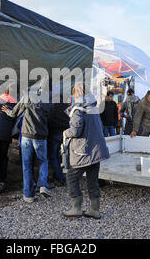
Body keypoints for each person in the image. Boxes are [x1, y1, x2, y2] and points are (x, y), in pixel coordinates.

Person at [62, 83, 110, 219]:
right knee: (92, 180)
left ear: (76, 93)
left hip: (84, 151)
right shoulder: (93, 107)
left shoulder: (78, 109)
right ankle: (95, 210)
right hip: (97, 150)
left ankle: (76, 207)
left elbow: (76, 131)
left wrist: (66, 132)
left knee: (71, 177)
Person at [2, 82, 52, 203]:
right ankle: (43, 184)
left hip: (26, 135)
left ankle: (28, 195)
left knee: (27, 165)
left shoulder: (29, 96)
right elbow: (49, 119)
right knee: (43, 161)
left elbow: (15, 113)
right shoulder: (50, 102)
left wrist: (7, 111)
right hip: (41, 136)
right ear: (50, 89)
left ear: (40, 87)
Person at [47, 96, 69, 186]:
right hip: (64, 134)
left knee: (53, 156)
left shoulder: (54, 106)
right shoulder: (66, 106)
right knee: (59, 155)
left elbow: (50, 120)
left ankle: (60, 178)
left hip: (54, 133)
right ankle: (56, 175)